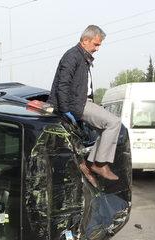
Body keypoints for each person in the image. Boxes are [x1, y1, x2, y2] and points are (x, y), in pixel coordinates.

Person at [48, 25, 121, 181]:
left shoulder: (81, 56)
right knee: (114, 123)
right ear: (85, 40)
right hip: (76, 104)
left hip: (79, 102)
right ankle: (100, 164)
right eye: (96, 44)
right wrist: (66, 110)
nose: (98, 48)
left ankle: (90, 164)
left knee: (106, 128)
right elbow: (63, 84)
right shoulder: (72, 56)